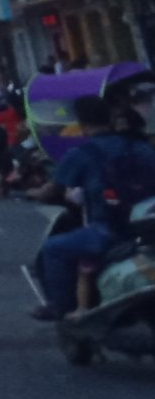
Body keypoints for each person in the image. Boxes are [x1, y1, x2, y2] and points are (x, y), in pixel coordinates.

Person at [31, 94, 155, 320]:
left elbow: (52, 190)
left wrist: (32, 193)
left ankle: (61, 306)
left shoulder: (82, 153)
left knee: (53, 248)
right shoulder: (140, 147)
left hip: (110, 228)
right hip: (146, 228)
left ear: (80, 122)